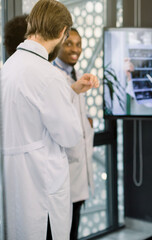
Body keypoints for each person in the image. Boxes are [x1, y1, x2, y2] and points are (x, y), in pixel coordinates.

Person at [1, 0, 99, 239]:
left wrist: (71, 91)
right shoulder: (49, 74)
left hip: (16, 185)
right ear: (61, 32)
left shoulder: (9, 67)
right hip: (42, 188)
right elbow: (70, 135)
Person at [53, 28, 94, 240]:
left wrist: (87, 123)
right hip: (64, 171)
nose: (75, 49)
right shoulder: (54, 77)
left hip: (78, 170)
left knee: (73, 227)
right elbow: (56, 118)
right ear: (57, 43)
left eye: (78, 44)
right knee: (61, 231)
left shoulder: (73, 74)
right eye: (69, 43)